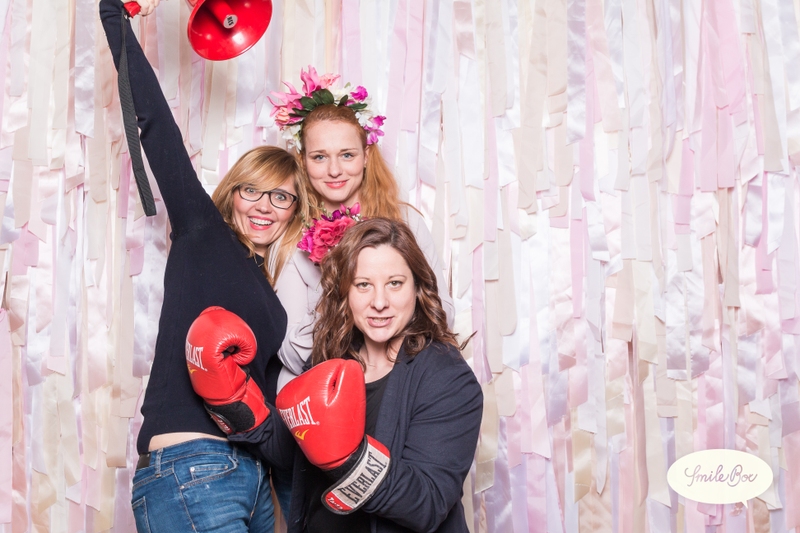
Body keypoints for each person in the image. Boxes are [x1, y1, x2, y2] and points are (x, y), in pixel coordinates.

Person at [99, 1, 303, 530]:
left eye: (281, 197)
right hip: (191, 464)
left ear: (294, 211)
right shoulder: (203, 233)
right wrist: (116, 18)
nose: (264, 206)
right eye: (252, 190)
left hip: (254, 479)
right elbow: (156, 127)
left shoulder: (274, 296)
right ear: (232, 194)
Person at [274, 218, 483, 533]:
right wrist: (236, 402)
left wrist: (350, 459)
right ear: (345, 292)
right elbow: (288, 452)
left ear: (418, 287)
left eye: (395, 283)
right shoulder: (328, 362)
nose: (380, 302)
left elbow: (428, 504)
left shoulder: (447, 377)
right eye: (363, 284)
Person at [270, 70, 455, 393]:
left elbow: (444, 315)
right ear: (302, 161)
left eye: (347, 155)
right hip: (323, 395)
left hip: (400, 383)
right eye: (319, 157)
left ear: (366, 156)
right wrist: (335, 278)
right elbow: (292, 355)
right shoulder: (290, 240)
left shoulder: (406, 222)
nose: (334, 170)